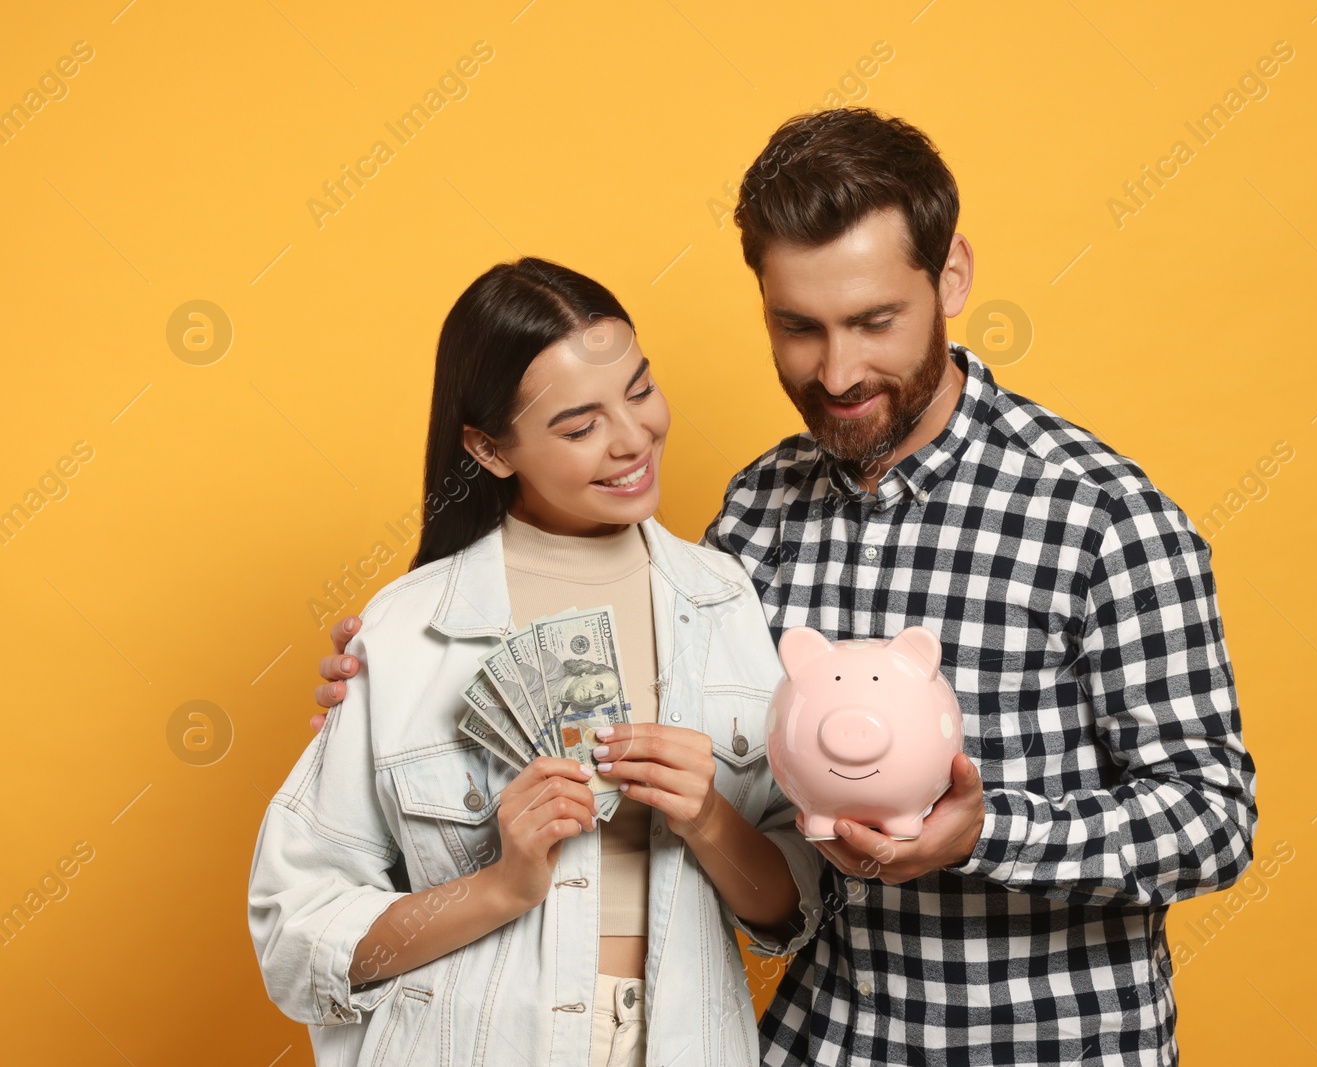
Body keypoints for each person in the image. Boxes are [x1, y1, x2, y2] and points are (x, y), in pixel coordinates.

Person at [313, 109, 1258, 1066]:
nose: (839, 372)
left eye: (875, 321)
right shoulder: (757, 512)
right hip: (824, 1042)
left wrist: (984, 831)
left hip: (1046, 1045)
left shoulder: (1103, 516)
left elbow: (1215, 818)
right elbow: (651, 702)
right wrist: (409, 675)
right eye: (798, 327)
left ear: (953, 277)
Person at [250, 258, 823, 1067]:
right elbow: (296, 937)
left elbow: (792, 911)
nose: (632, 438)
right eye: (579, 425)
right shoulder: (409, 629)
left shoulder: (724, 598)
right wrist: (500, 885)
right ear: (489, 448)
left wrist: (707, 817)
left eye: (639, 388)